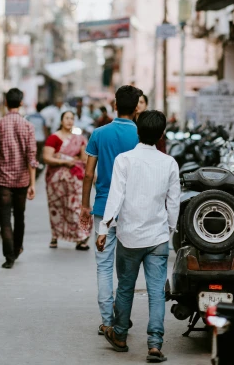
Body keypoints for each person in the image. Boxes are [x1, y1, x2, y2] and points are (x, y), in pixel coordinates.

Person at [97, 110, 180, 363]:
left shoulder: (124, 160)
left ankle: (120, 335)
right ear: (161, 134)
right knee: (156, 292)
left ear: (138, 131)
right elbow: (174, 203)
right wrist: (169, 231)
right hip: (157, 238)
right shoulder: (169, 163)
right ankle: (155, 344)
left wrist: (103, 229)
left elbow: (115, 198)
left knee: (125, 288)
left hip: (129, 236)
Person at [80, 84, 141, 335]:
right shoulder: (141, 135)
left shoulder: (99, 134)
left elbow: (87, 174)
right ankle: (122, 317)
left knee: (103, 265)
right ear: (137, 107)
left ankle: (107, 320)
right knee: (127, 267)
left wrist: (85, 205)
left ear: (115, 105)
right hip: (133, 209)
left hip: (103, 207)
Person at [0, 88, 38, 269]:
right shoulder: (28, 126)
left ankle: (9, 257)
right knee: (20, 216)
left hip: (3, 179)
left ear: (6, 103)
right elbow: (32, 157)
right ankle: (17, 248)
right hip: (22, 179)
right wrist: (32, 183)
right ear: (21, 103)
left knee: (5, 218)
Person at [43, 110, 92, 250]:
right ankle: (55, 236)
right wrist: (64, 161)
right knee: (57, 208)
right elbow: (47, 158)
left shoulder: (79, 139)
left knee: (76, 207)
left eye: (72, 118)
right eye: (66, 118)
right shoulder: (54, 138)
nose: (69, 121)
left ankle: (80, 237)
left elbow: (84, 159)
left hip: (75, 179)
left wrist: (64, 157)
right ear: (61, 121)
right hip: (56, 181)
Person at [26, 103, 47, 170]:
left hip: (32, 138)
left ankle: (31, 166)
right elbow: (44, 129)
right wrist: (46, 137)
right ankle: (36, 166)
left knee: (31, 154)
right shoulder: (42, 117)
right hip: (40, 138)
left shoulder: (30, 116)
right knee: (38, 153)